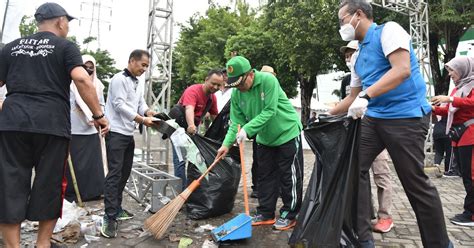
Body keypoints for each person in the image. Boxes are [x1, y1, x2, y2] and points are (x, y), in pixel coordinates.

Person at [331, 1, 451, 247]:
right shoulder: (358, 56)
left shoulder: (389, 31)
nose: (341, 26)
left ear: (359, 15)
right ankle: (363, 239)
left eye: (342, 20)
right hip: (374, 119)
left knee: (414, 182)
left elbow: (402, 70)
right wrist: (326, 115)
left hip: (406, 117)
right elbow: (353, 96)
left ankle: (440, 244)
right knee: (354, 169)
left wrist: (367, 95)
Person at [0, 3, 109, 248]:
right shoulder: (65, 47)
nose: (68, 26)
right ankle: (42, 244)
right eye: (67, 22)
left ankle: (12, 246)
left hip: (13, 122)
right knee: (49, 184)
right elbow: (81, 78)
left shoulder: (11, 47)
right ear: (60, 21)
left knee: (10, 183)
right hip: (51, 124)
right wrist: (99, 114)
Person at [215, 56, 303, 231]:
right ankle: (266, 213)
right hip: (264, 138)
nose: (240, 89)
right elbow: (235, 122)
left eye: (241, 84)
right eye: (235, 86)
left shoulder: (268, 81)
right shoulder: (237, 93)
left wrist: (247, 129)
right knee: (265, 177)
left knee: (288, 176)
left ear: (250, 75)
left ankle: (290, 214)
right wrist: (226, 144)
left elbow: (270, 110)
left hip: (287, 133)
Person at [334, 40, 395, 233]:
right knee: (357, 173)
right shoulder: (348, 80)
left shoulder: (376, 75)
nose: (348, 58)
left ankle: (385, 216)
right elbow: (347, 101)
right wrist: (329, 115)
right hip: (354, 132)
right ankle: (363, 213)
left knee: (380, 173)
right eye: (346, 55)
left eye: (352, 54)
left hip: (376, 129)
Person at [101, 49, 156, 238]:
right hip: (115, 133)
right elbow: (118, 104)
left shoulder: (138, 82)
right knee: (115, 174)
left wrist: (148, 112)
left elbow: (139, 102)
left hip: (128, 134)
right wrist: (141, 120)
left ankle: (116, 208)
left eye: (147, 66)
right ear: (132, 61)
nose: (144, 69)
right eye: (143, 65)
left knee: (124, 173)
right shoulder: (118, 79)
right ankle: (108, 217)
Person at [432, 56, 474, 227]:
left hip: (470, 133)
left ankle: (471, 214)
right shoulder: (458, 88)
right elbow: (449, 111)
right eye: (448, 70)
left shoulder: (471, 85)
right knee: (465, 175)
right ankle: (469, 210)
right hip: (459, 135)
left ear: (463, 69)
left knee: (471, 175)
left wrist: (450, 100)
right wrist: (432, 108)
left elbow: (470, 103)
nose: (450, 74)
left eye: (452, 70)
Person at [65, 55, 106, 202]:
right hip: (73, 128)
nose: (88, 69)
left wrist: (98, 116)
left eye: (91, 67)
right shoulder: (70, 84)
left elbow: (101, 104)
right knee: (74, 164)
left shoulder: (99, 85)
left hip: (91, 129)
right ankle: (72, 194)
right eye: (85, 66)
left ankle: (91, 193)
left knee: (91, 164)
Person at [171, 69, 221, 190]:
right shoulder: (193, 90)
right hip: (178, 128)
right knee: (180, 160)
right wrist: (191, 125)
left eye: (218, 85)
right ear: (206, 80)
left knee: (195, 159)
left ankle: (191, 189)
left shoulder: (212, 98)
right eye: (213, 83)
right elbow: (189, 109)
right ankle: (181, 192)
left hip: (192, 128)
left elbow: (216, 117)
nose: (215, 87)